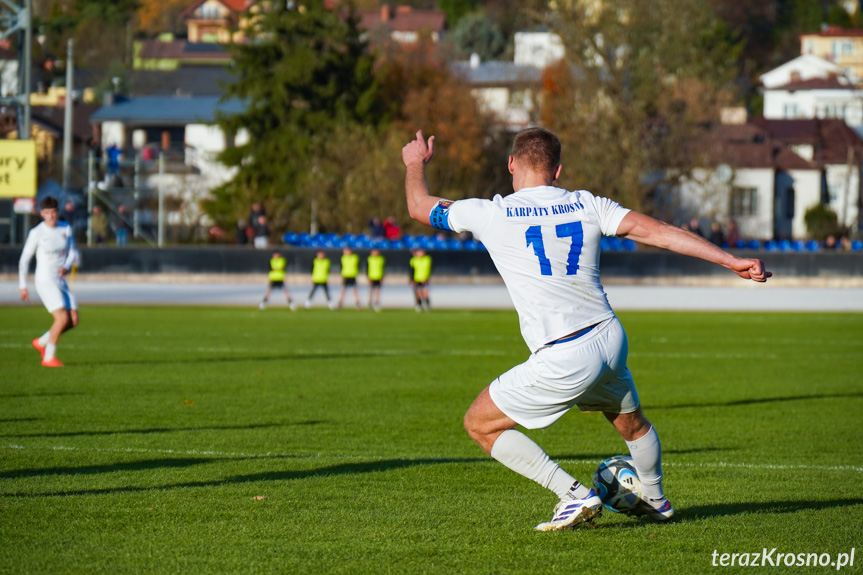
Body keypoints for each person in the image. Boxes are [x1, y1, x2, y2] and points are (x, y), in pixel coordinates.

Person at [401, 127, 771, 531]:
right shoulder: (588, 205)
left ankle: (573, 495)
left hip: (565, 351)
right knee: (630, 421)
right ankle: (656, 499)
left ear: (511, 164)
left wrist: (415, 162)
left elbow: (419, 205)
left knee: (480, 423)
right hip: (609, 338)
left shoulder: (492, 213)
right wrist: (729, 260)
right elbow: (661, 232)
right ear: (558, 170)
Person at [18, 196, 82, 368]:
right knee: (61, 318)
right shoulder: (36, 233)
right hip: (45, 279)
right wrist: (23, 286)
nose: (51, 216)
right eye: (47, 213)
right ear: (42, 214)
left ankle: (41, 342)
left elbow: (72, 252)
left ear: (57, 212)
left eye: (54, 212)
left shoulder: (65, 228)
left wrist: (67, 267)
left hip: (60, 279)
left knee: (72, 320)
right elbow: (24, 260)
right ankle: (48, 358)